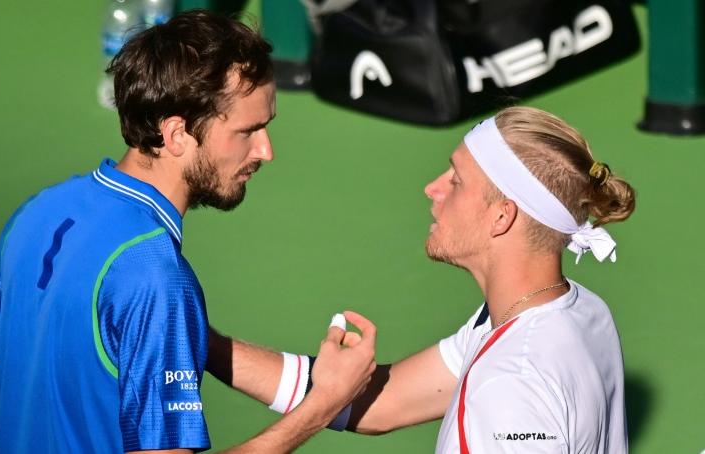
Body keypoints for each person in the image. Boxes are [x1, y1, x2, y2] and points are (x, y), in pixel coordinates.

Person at [0, 10, 376, 454]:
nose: (266, 151)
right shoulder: (155, 276)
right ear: (177, 134)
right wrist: (323, 404)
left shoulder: (36, 215)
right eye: (248, 131)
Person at [207, 106, 635, 453]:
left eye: (456, 180)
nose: (432, 188)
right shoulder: (575, 311)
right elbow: (384, 403)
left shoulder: (507, 386)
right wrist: (201, 343)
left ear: (501, 216)